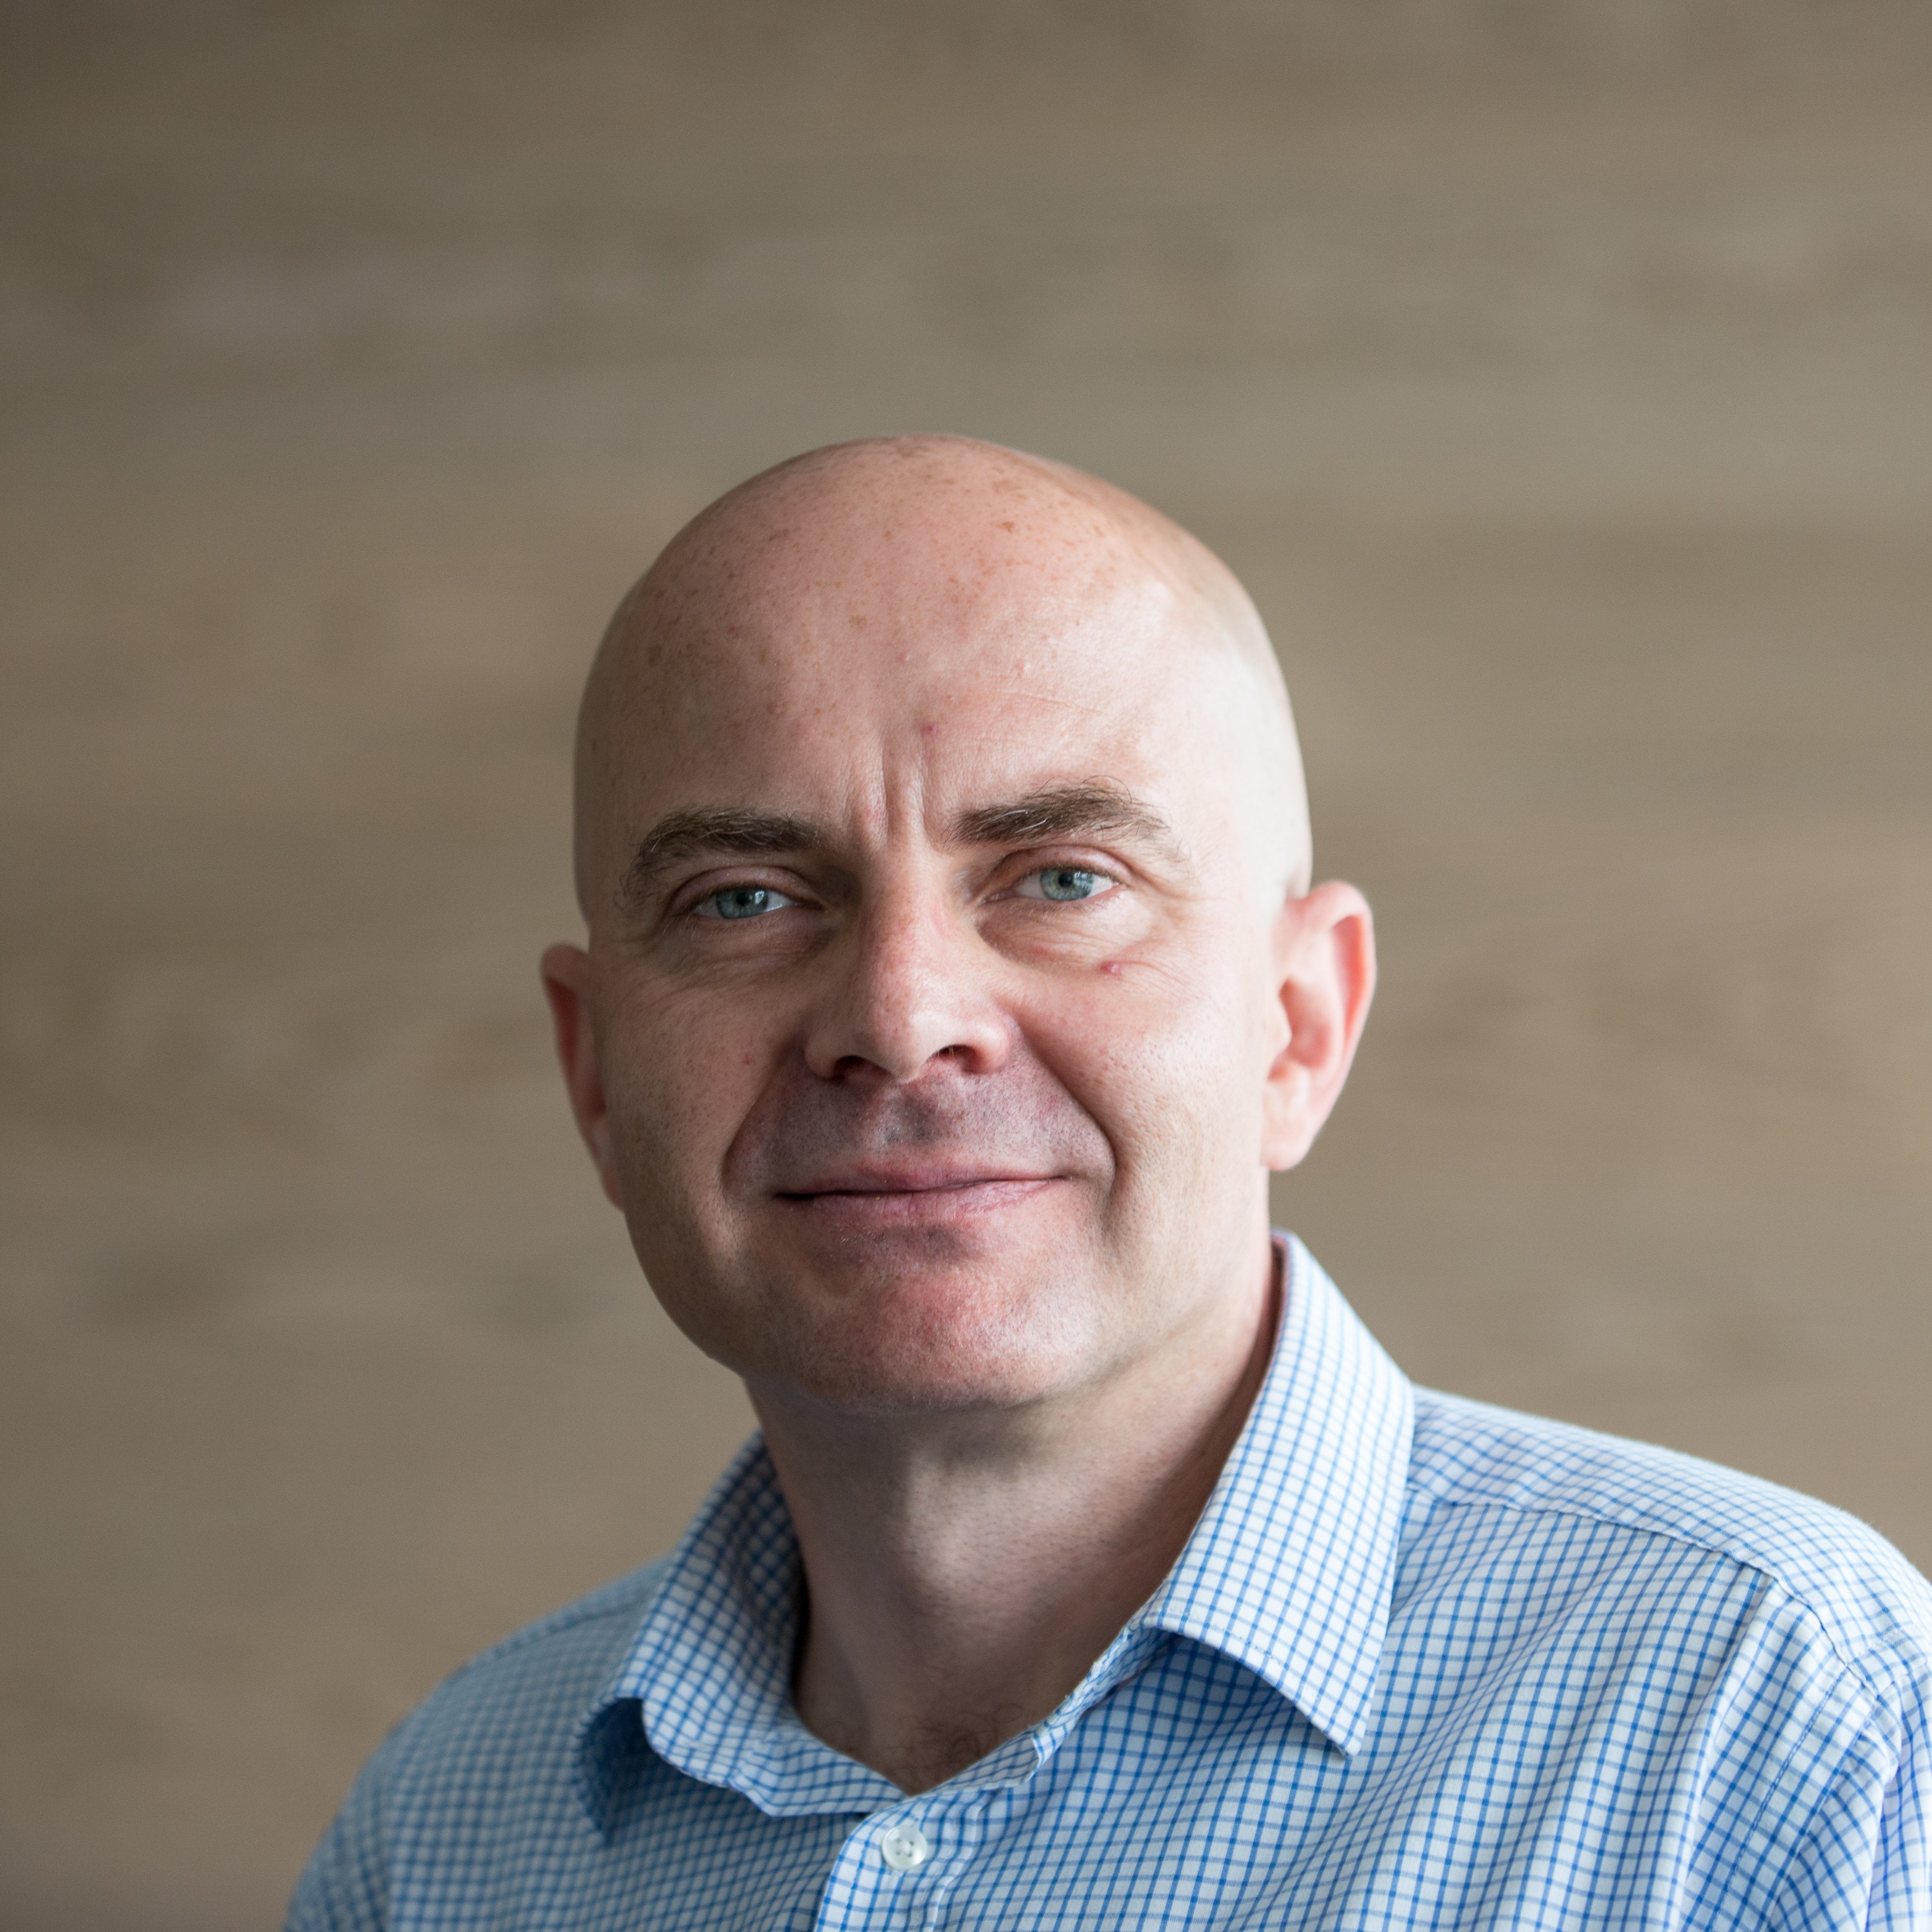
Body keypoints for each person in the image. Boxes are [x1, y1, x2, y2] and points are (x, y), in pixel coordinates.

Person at [290, 436, 1932, 1930]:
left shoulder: (1784, 1721)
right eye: (743, 898)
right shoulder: (444, 1832)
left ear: (1298, 1023)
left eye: (1063, 878)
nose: (899, 1019)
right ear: (593, 1072)